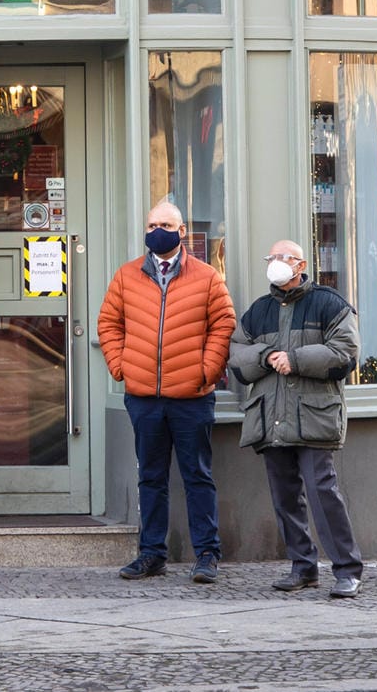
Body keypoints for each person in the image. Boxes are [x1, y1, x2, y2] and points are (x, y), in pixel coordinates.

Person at [97, 199, 236, 584]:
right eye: (152, 223)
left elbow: (224, 325)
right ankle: (151, 554)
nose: (157, 230)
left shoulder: (207, 277)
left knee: (198, 477)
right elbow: (108, 323)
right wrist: (121, 366)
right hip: (144, 398)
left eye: (165, 224)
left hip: (191, 398)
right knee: (152, 478)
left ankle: (207, 554)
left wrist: (206, 371)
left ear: (182, 232)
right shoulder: (127, 276)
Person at [228, 240, 364, 598]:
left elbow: (345, 354)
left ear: (300, 264)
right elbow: (237, 354)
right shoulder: (258, 310)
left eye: (282, 257)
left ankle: (347, 570)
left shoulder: (328, 303)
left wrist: (297, 359)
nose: (274, 262)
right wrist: (268, 355)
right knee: (285, 496)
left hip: (313, 416)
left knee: (323, 493)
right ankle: (302, 567)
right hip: (271, 416)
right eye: (270, 256)